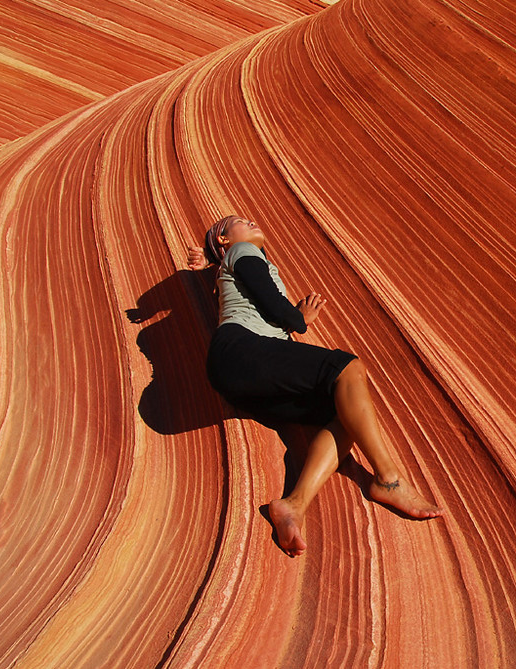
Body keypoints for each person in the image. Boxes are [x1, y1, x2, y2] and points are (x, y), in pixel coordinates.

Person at [188, 215, 442, 558]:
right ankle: (389, 480)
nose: (249, 221)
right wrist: (297, 319)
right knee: (349, 368)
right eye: (237, 221)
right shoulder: (243, 251)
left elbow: (237, 284)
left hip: (239, 370)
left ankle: (292, 505)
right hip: (243, 348)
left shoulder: (230, 262)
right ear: (223, 240)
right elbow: (269, 300)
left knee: (348, 410)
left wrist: (206, 261)